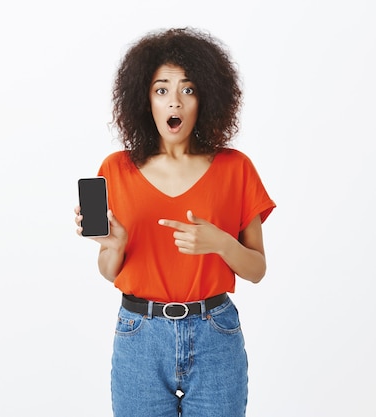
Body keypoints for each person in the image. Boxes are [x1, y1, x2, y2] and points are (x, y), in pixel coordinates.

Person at [74, 27, 276, 417]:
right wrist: (113, 247)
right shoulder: (115, 170)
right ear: (144, 99)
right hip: (139, 336)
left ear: (206, 98)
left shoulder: (236, 168)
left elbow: (258, 270)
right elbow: (108, 270)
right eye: (162, 89)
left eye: (188, 89)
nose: (175, 102)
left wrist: (220, 242)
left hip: (216, 334)